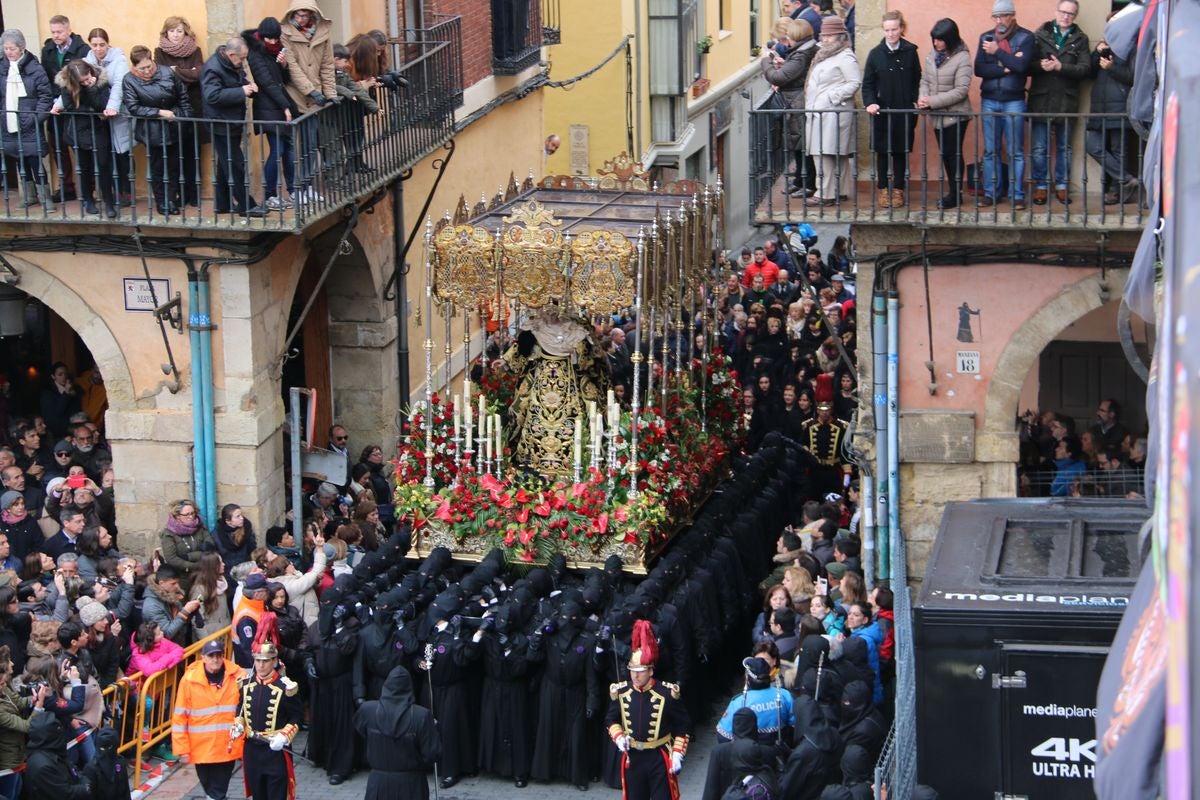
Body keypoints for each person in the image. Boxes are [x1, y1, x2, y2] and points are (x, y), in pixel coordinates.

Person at [606, 619, 691, 800]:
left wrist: (677, 754)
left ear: (651, 671)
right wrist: (619, 737)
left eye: (641, 670)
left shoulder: (667, 693)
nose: (636, 675)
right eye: (632, 670)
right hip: (633, 757)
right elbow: (611, 719)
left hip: (659, 756)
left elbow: (683, 726)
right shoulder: (621, 691)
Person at [974, 0, 1034, 209]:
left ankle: (1016, 194)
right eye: (995, 17)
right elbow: (979, 69)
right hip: (989, 99)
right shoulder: (986, 37)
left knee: (1015, 150)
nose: (999, 21)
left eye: (1003, 16)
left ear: (1012, 16)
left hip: (1014, 101)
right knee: (990, 150)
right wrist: (1006, 67)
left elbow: (1022, 66)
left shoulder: (1026, 37)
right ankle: (991, 193)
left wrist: (997, 53)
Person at [1028, 0, 1089, 205]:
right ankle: (1041, 186)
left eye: (1071, 14)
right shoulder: (1040, 34)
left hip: (1066, 100)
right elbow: (1027, 64)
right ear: (1056, 12)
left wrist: (1061, 67)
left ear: (1076, 16)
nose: (1066, 16)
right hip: (1042, 99)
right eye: (1063, 12)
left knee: (1065, 147)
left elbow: (1084, 69)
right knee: (1039, 147)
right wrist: (1040, 65)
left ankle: (1062, 186)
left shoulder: (1080, 39)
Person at [354, 664, 441, 800]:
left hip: (379, 784)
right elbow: (432, 754)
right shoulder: (421, 716)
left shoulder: (367, 710)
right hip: (412, 785)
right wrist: (432, 730)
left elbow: (360, 731)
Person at [123, 45, 192, 216]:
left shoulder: (168, 72)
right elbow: (133, 107)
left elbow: (183, 96)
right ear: (134, 67)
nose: (147, 71)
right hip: (151, 129)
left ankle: (171, 199)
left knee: (174, 165)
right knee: (157, 167)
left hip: (174, 124)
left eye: (149, 66)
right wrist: (158, 112)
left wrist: (183, 117)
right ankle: (162, 201)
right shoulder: (129, 80)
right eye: (142, 68)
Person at [862, 11, 920, 208]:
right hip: (882, 111)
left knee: (900, 151)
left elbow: (917, 80)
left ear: (901, 28)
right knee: (883, 152)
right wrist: (870, 102)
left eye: (894, 29)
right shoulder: (875, 54)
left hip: (904, 111)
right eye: (887, 30)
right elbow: (867, 84)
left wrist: (914, 101)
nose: (891, 33)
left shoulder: (910, 51)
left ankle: (898, 190)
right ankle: (883, 190)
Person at [172, 639, 243, 800]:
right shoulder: (189, 680)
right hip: (201, 748)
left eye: (218, 655)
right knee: (210, 788)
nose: (215, 659)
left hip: (227, 747)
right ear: (203, 657)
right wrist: (182, 748)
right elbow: (180, 717)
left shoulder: (238, 677)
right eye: (211, 656)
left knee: (216, 791)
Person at [281, 0, 337, 206]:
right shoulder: (285, 34)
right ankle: (297, 188)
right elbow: (293, 68)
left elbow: (327, 65)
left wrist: (330, 93)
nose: (301, 19)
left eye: (305, 15)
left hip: (316, 98)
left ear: (313, 14)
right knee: (294, 146)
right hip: (295, 95)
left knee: (311, 145)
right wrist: (310, 90)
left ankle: (308, 186)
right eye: (298, 14)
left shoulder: (322, 34)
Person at [201, 38, 264, 217]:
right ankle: (246, 205)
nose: (243, 61)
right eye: (241, 58)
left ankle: (222, 204)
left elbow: (239, 78)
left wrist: (248, 86)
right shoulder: (213, 68)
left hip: (232, 121)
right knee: (235, 164)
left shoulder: (232, 63)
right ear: (231, 54)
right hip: (220, 123)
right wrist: (241, 91)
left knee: (225, 163)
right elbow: (212, 95)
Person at [242, 18, 298, 212]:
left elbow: (283, 80)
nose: (273, 43)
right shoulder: (255, 53)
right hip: (267, 108)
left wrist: (283, 66)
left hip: (280, 105)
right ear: (262, 35)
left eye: (275, 39)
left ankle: (293, 189)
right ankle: (269, 195)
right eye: (269, 39)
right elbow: (266, 83)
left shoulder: (276, 50)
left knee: (288, 147)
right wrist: (285, 107)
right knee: (277, 150)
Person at [233, 641, 301, 800]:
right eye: (258, 660)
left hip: (275, 751)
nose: (261, 665)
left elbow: (296, 716)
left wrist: (284, 736)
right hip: (252, 751)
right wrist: (238, 724)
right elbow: (241, 709)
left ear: (274, 661)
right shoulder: (246, 684)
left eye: (265, 661)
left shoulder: (286, 687)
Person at [804, 15, 860, 207]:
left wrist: (831, 97)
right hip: (822, 112)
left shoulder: (845, 56)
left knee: (825, 153)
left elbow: (854, 82)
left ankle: (825, 194)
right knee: (831, 152)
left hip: (833, 112)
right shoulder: (825, 53)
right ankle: (841, 191)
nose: (825, 39)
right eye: (824, 35)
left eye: (830, 35)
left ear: (840, 36)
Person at [916, 18, 972, 210]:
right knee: (946, 154)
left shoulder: (962, 57)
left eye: (940, 39)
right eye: (934, 39)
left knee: (952, 154)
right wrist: (923, 97)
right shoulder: (933, 55)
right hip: (938, 114)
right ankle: (954, 193)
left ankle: (955, 195)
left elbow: (961, 90)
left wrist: (931, 101)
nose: (935, 43)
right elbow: (925, 79)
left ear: (950, 38)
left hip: (956, 114)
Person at [50, 60, 117, 217]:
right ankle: (88, 200)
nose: (87, 82)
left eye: (88, 78)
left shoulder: (99, 81)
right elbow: (71, 107)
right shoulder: (66, 85)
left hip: (98, 130)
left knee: (103, 166)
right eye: (83, 81)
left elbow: (102, 105)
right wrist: (93, 111)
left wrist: (92, 89)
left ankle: (109, 203)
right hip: (77, 131)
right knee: (84, 168)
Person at [761, 18, 818, 198]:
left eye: (788, 37)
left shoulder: (802, 54)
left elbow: (778, 78)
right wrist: (783, 66)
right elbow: (791, 73)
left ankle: (807, 184)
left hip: (798, 101)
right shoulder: (803, 52)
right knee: (799, 143)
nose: (786, 40)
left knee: (803, 144)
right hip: (796, 101)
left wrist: (766, 61)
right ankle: (801, 182)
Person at [1, 30, 56, 213]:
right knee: (19, 160)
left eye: (12, 48)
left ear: (22, 48)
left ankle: (45, 198)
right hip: (8, 121)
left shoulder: (35, 68)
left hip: (30, 122)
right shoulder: (2, 67)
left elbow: (45, 97)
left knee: (34, 160)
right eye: (6, 48)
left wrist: (35, 117)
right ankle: (29, 196)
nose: (8, 52)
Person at [153, 17, 204, 207]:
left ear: (186, 33)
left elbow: (199, 74)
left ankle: (195, 193)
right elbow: (163, 76)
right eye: (172, 31)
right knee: (176, 155)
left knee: (194, 152)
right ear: (166, 33)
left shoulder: (195, 50)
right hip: (173, 108)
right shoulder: (159, 52)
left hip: (194, 107)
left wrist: (176, 70)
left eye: (180, 31)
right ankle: (181, 194)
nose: (175, 35)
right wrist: (186, 71)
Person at [1085, 38, 1140, 205]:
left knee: (1118, 150)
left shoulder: (1132, 48)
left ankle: (1116, 192)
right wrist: (1097, 53)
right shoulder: (1104, 46)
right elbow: (1089, 73)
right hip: (1099, 107)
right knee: (1092, 146)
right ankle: (1126, 179)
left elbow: (1134, 77)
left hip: (1121, 106)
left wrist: (1111, 68)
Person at [82, 30, 132, 205]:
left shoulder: (119, 60)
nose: (98, 48)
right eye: (94, 45)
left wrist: (111, 107)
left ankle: (125, 192)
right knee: (104, 157)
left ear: (108, 44)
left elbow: (119, 85)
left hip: (117, 114)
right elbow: (74, 83)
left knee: (122, 154)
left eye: (102, 44)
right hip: (98, 116)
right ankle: (108, 193)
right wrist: (58, 104)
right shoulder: (86, 61)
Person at [22, 712, 92, 799]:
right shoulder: (42, 766)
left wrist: (86, 783)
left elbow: (74, 772)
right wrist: (88, 788)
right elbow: (64, 794)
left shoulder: (54, 753)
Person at [160, 498, 214, 578]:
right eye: (187, 514)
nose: (191, 517)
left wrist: (188, 556)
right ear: (178, 516)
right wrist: (196, 565)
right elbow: (172, 559)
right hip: (182, 577)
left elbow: (210, 547)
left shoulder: (200, 528)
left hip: (203, 575)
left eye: (193, 513)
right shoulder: (169, 534)